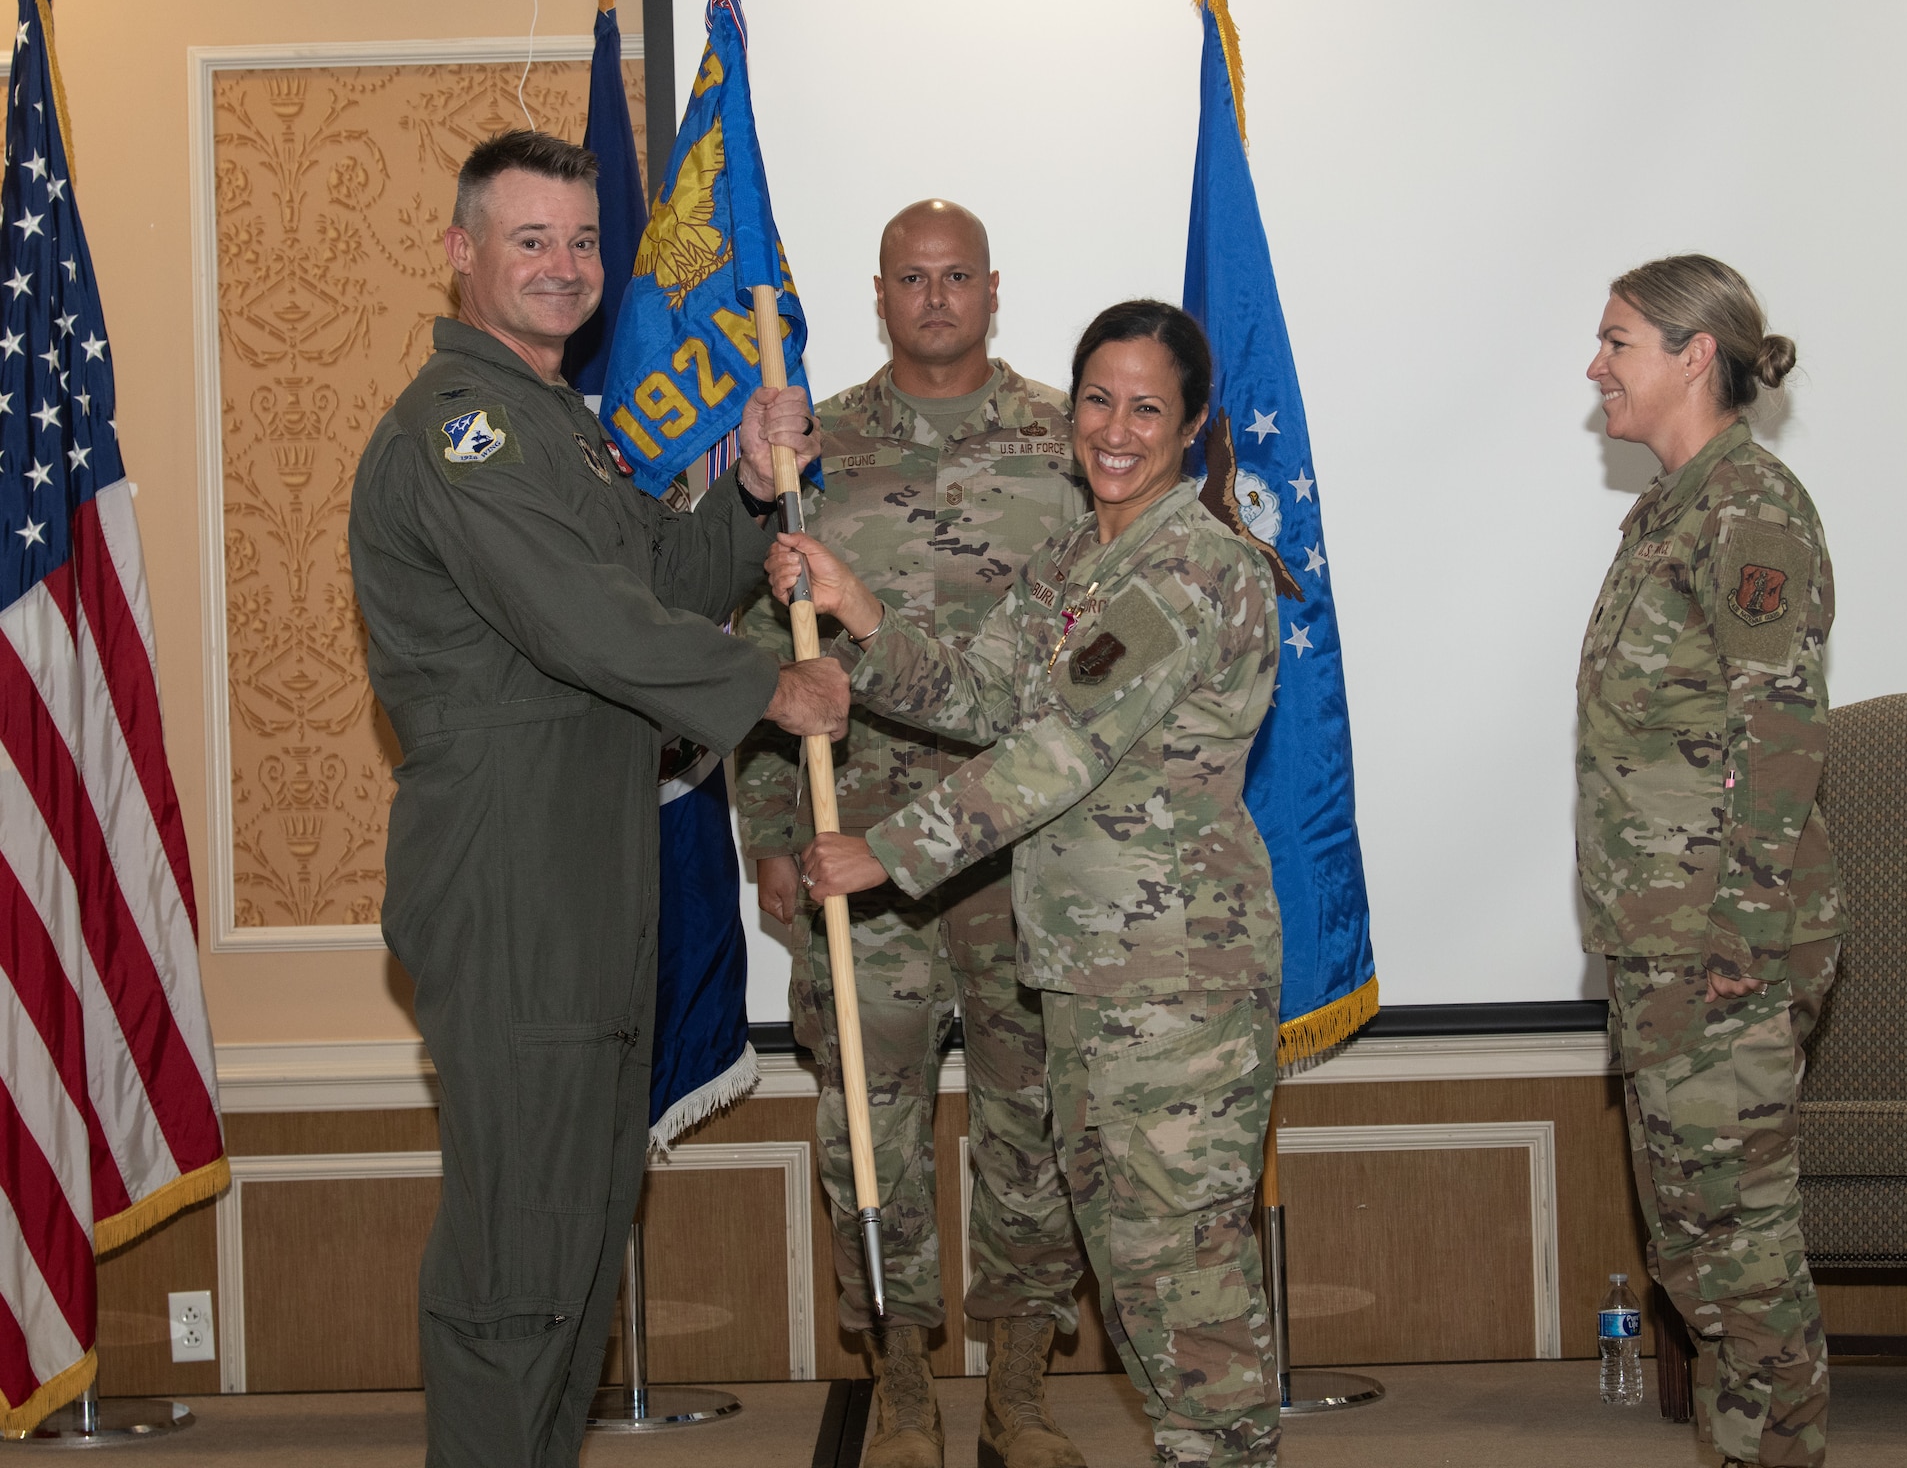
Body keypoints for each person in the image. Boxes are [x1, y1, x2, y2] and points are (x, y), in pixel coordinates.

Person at [347, 129, 847, 1468]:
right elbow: (579, 619)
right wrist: (764, 692)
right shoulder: (461, 431)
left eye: (581, 242)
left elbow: (652, 589)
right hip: (516, 883)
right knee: (519, 1273)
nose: (565, 268)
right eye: (530, 240)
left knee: (571, 1255)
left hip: (583, 873)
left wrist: (745, 490)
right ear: (461, 255)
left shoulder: (555, 424)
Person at [775, 300, 1285, 1468]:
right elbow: (975, 692)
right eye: (1096, 399)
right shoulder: (1074, 556)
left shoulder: (1195, 568)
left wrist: (886, 852)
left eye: (1146, 406)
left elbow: (1058, 753)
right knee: (1130, 1271)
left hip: (1175, 988)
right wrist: (854, 603)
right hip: (1084, 974)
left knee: (1184, 1282)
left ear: (1193, 423)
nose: (1114, 428)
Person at [734, 199, 1090, 1468]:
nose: (934, 298)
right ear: (877, 294)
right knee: (864, 1129)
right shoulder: (809, 450)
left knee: (1031, 1123)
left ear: (994, 290)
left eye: (956, 277)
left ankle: (1023, 1386)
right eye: (909, 279)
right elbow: (760, 651)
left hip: (1026, 853)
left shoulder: (1069, 439)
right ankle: (896, 1379)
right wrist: (770, 826)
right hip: (858, 852)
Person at [1577, 255, 1843, 1468]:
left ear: (1694, 353)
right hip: (1662, 947)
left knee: (1738, 1259)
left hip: (1719, 950)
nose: (1596, 366)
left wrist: (1739, 934)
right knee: (1693, 1247)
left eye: (1618, 340)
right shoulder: (1669, 509)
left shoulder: (1749, 511)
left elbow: (1777, 731)